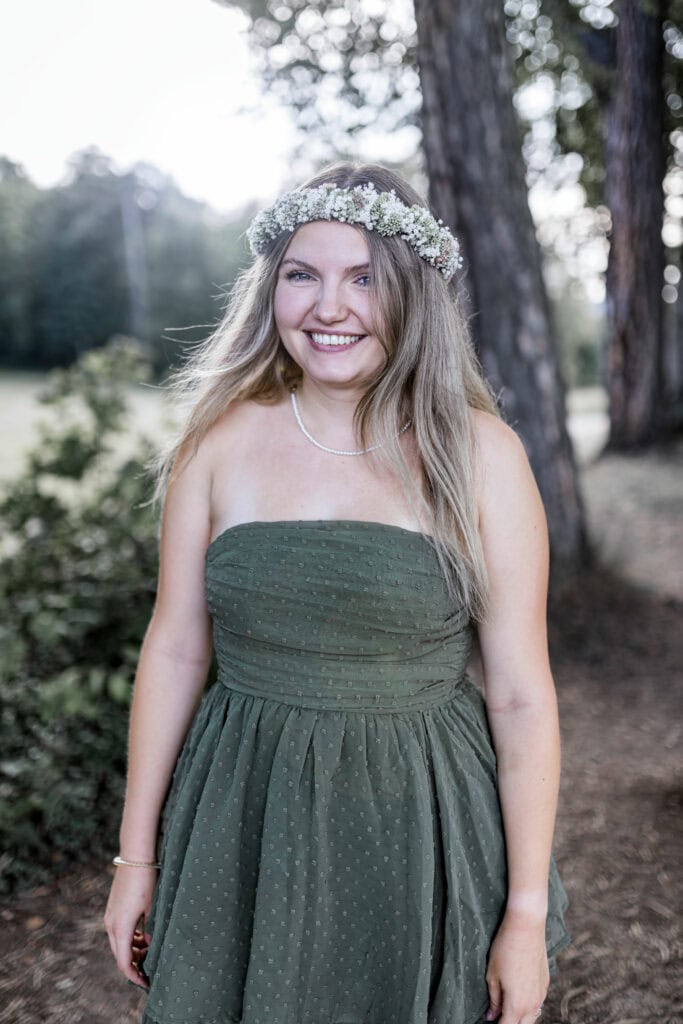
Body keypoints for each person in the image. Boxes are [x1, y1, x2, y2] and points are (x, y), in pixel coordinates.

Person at [104, 161, 571, 1024]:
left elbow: (517, 694)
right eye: (301, 275)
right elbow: (173, 649)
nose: (329, 308)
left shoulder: (480, 454)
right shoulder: (219, 441)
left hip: (416, 821)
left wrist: (526, 913)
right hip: (239, 813)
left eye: (363, 278)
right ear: (268, 289)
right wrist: (136, 860)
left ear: (413, 293)